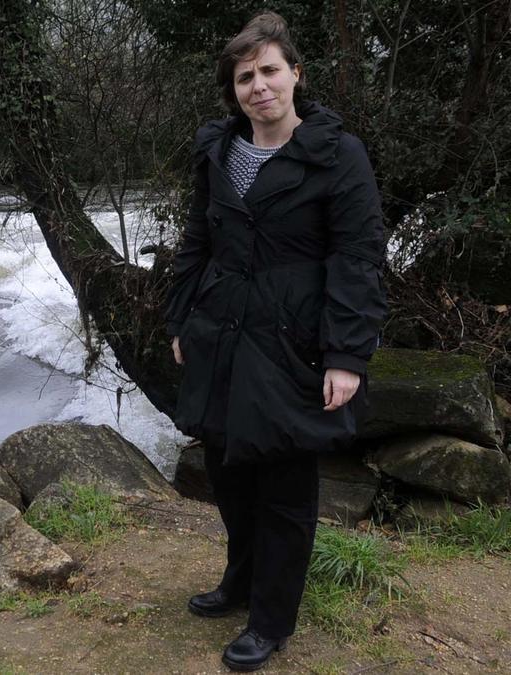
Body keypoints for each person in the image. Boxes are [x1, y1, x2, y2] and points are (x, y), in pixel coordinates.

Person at [163, 12, 387, 672]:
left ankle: (271, 617)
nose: (258, 85)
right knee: (229, 470)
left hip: (295, 342)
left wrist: (347, 354)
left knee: (285, 483)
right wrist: (181, 320)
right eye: (244, 76)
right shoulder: (218, 152)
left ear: (295, 74)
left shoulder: (337, 155)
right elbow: (197, 242)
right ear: (233, 90)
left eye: (268, 70)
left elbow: (358, 256)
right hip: (222, 331)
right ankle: (241, 581)